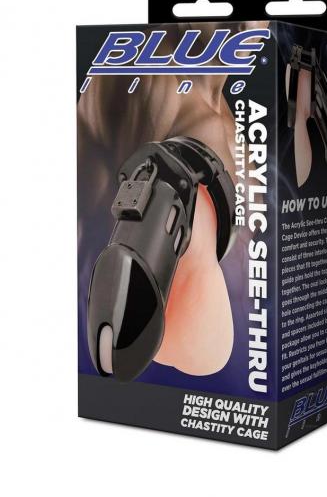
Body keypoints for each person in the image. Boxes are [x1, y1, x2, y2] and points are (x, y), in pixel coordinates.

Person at [78, 20, 268, 376]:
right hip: (144, 335)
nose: (249, 24)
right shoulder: (144, 81)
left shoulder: (234, 130)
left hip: (227, 352)